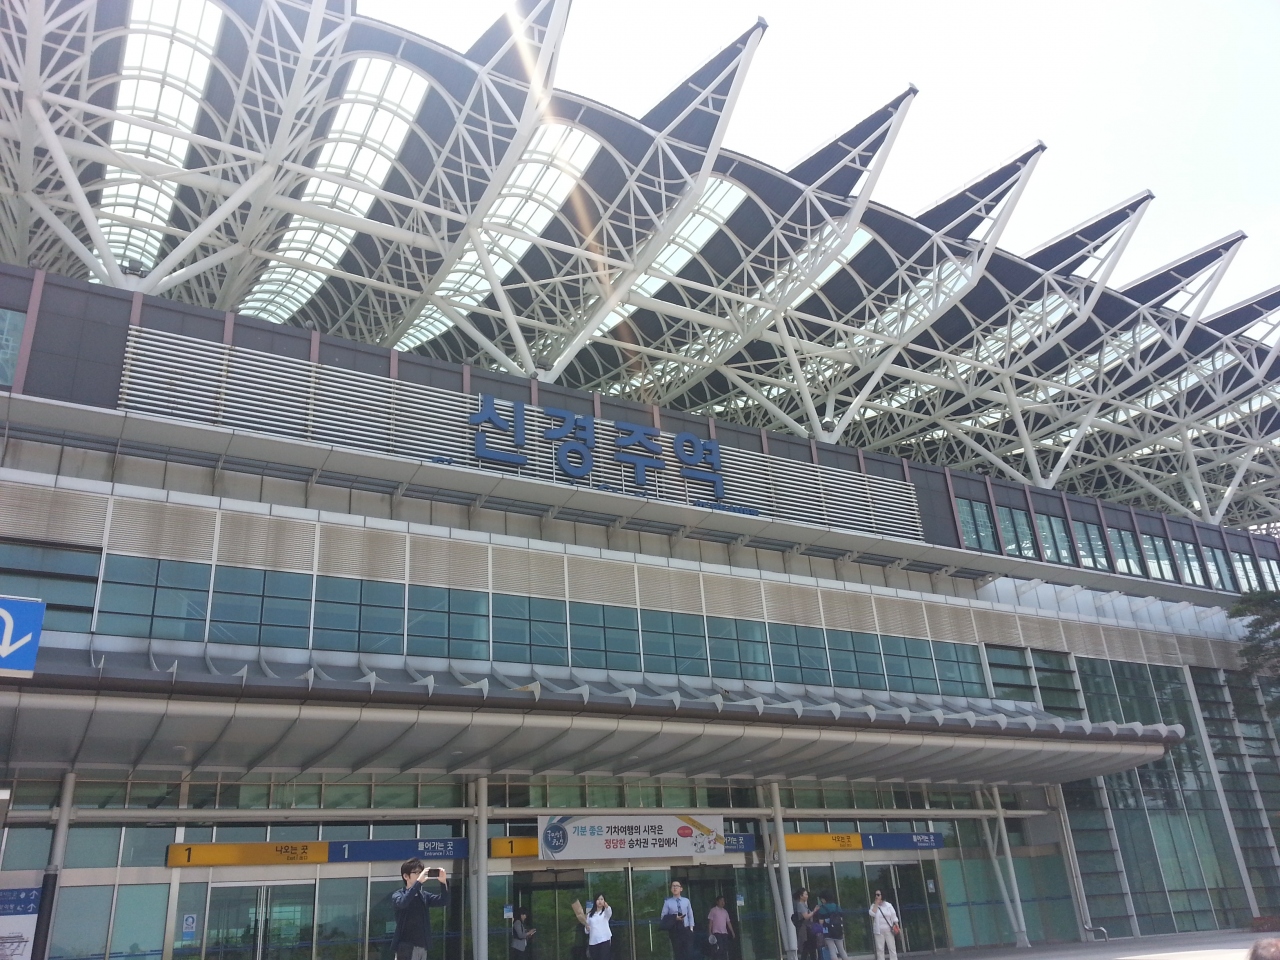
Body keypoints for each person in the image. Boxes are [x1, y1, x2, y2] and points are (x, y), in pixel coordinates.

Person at [391, 859, 450, 960]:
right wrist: (418, 883)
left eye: (421, 872)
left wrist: (443, 882)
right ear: (406, 876)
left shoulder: (423, 896)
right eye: (416, 873)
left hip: (422, 946)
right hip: (406, 947)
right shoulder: (398, 895)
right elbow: (403, 903)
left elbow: (444, 901)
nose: (420, 875)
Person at [661, 880, 695, 960]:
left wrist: (691, 928)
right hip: (675, 931)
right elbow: (663, 917)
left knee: (689, 952)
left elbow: (690, 914)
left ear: (681, 889)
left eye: (677, 886)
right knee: (678, 953)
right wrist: (674, 918)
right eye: (673, 886)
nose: (675, 888)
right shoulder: (668, 902)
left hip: (686, 930)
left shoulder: (686, 901)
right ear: (671, 889)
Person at [815, 892, 848, 960]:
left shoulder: (822, 908)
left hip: (827, 931)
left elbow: (821, 922)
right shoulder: (837, 906)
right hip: (838, 931)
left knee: (832, 950)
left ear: (824, 899)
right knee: (841, 949)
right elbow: (841, 919)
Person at [868, 890, 898, 960]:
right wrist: (876, 904)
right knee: (880, 949)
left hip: (889, 930)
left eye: (878, 895)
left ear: (882, 895)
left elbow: (893, 915)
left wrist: (896, 924)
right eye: (876, 895)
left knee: (892, 948)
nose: (876, 896)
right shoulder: (874, 905)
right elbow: (872, 913)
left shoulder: (888, 905)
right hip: (879, 931)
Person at [706, 895, 735, 960]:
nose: (722, 902)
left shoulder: (725, 912)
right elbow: (710, 922)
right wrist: (710, 932)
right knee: (720, 948)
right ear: (717, 902)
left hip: (724, 933)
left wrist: (732, 932)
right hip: (716, 932)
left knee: (725, 948)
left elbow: (728, 922)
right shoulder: (713, 910)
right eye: (721, 901)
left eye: (723, 901)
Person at [587, 893, 613, 960]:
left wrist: (607, 906)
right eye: (598, 899)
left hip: (604, 940)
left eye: (601, 899)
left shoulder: (605, 913)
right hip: (593, 941)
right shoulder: (590, 915)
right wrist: (587, 928)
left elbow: (609, 912)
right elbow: (586, 930)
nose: (600, 901)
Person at [793, 888, 816, 960]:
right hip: (805, 929)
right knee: (807, 946)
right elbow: (806, 916)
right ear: (801, 896)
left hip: (807, 928)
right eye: (805, 894)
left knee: (808, 947)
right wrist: (814, 911)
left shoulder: (804, 905)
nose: (807, 896)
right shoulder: (800, 905)